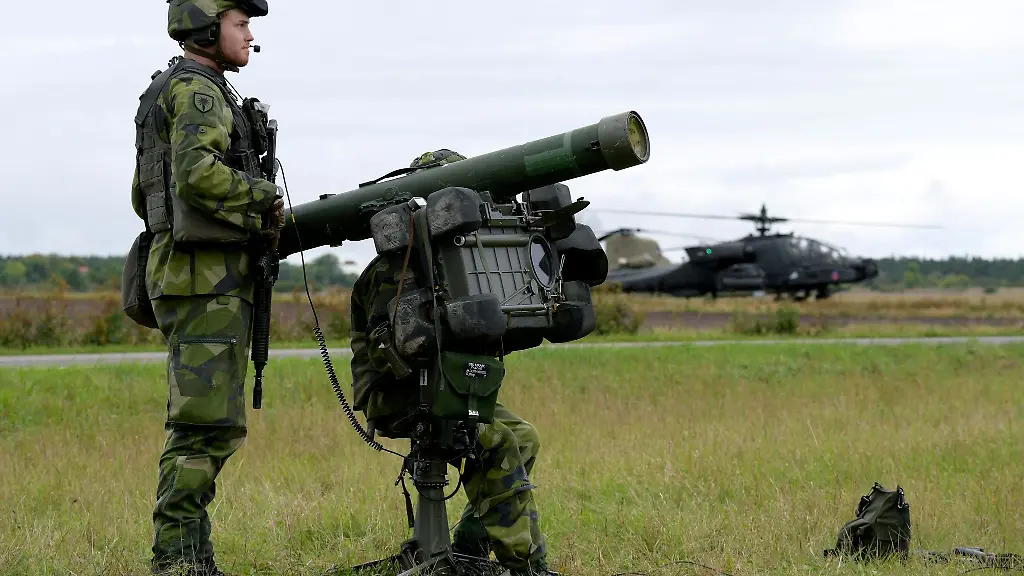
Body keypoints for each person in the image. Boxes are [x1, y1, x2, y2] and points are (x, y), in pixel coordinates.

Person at [129, 1, 284, 574]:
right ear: (207, 26)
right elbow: (196, 176)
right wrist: (264, 198)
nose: (250, 36)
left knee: (208, 424)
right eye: (240, 24)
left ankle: (191, 556)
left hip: (196, 277)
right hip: (203, 281)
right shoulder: (197, 90)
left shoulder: (173, 88)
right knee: (203, 429)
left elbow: (145, 193)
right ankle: (177, 559)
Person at [348, 150, 556, 576]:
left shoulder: (466, 264)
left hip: (447, 387)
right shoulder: (392, 269)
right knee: (495, 441)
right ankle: (527, 566)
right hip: (397, 394)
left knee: (523, 436)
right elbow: (387, 357)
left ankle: (469, 549)